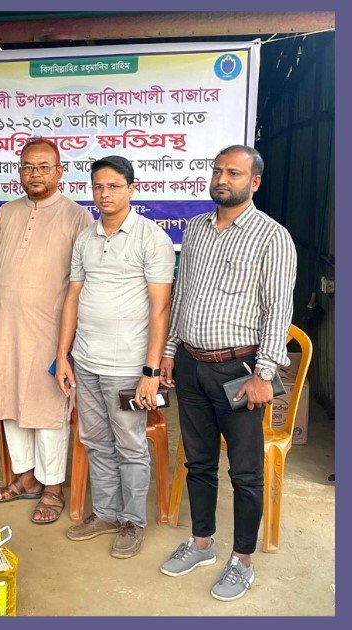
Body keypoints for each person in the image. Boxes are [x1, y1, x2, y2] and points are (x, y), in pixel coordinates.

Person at [158, 145, 297, 601]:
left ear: (253, 182)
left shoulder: (272, 236)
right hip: (192, 364)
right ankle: (201, 544)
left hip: (240, 370)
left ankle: (242, 560)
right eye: (217, 170)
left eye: (233, 173)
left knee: (245, 472)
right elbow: (182, 295)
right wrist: (170, 351)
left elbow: (278, 310)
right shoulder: (196, 228)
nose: (222, 179)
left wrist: (264, 373)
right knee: (198, 461)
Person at [54, 156, 174, 555]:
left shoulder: (151, 238)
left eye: (114, 186)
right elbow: (73, 297)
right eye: (98, 186)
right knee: (95, 439)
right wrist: (64, 356)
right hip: (86, 361)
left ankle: (132, 521)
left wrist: (150, 371)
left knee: (130, 445)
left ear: (131, 189)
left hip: (128, 366)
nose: (104, 194)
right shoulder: (85, 238)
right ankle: (105, 513)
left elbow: (160, 308)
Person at [0, 137, 94, 524]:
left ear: (60, 172)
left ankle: (53, 486)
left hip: (51, 332)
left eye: (44, 167)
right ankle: (25, 477)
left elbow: (84, 282)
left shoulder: (77, 217)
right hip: (5, 327)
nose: (35, 173)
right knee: (9, 400)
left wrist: (72, 339)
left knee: (48, 407)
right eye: (27, 167)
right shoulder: (7, 212)